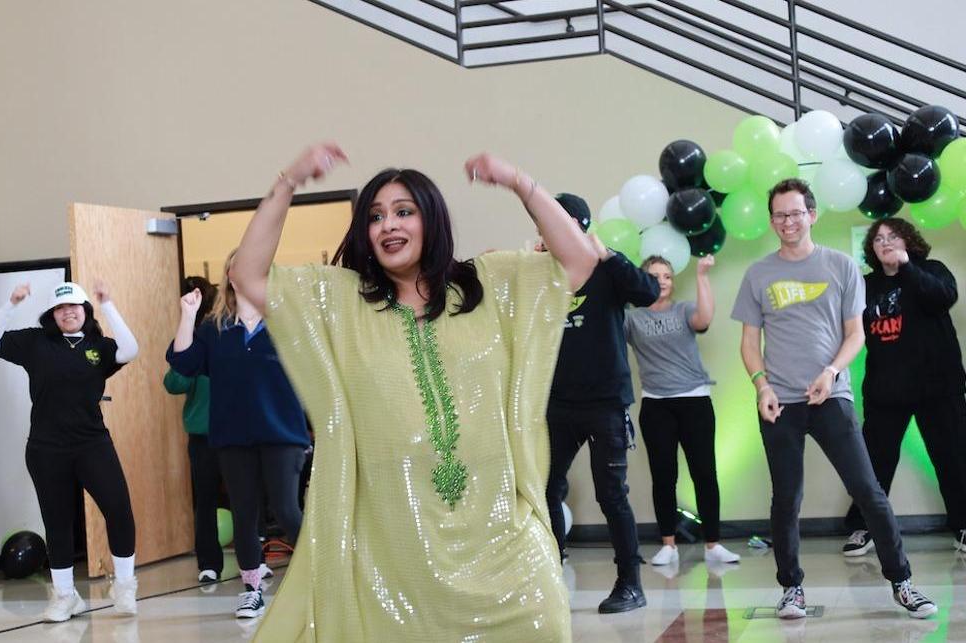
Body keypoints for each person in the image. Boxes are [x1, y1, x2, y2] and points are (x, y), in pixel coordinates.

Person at [229, 143, 598, 640]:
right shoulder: (340, 301)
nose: (389, 226)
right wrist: (287, 182)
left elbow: (578, 259)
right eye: (376, 217)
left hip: (501, 540)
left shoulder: (488, 284)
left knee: (544, 619)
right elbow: (248, 275)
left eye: (404, 212)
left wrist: (517, 181)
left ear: (432, 221)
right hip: (393, 553)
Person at [731, 178, 936, 619]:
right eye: (780, 215)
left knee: (868, 490)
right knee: (786, 498)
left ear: (812, 215)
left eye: (796, 212)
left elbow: (855, 334)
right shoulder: (758, 274)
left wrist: (830, 372)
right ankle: (791, 590)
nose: (788, 221)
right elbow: (749, 342)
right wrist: (761, 386)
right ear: (772, 221)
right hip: (778, 403)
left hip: (831, 395)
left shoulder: (841, 266)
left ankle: (902, 581)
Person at [0, 280, 140, 620]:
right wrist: (11, 303)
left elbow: (131, 349)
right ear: (52, 314)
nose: (68, 312)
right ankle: (65, 596)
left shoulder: (99, 346)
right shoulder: (36, 343)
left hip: (92, 445)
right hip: (46, 448)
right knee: (57, 522)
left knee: (118, 510)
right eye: (61, 308)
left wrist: (109, 304)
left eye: (75, 307)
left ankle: (125, 587)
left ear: (85, 311)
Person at [167, 251, 306, 619]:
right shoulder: (214, 327)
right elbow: (182, 361)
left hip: (282, 433)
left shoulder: (288, 320)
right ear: (229, 274)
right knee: (244, 514)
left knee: (287, 510)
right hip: (232, 436)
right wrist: (187, 313)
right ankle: (251, 588)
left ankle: (319, 576)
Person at [542, 192, 659, 613]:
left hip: (606, 402)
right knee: (545, 488)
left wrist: (609, 256)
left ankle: (630, 583)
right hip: (557, 403)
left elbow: (647, 292)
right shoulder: (543, 272)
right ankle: (551, 573)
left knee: (611, 495)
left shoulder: (606, 267)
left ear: (580, 225)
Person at [842, 217, 966, 556]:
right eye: (878, 238)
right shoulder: (865, 285)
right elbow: (847, 326)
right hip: (886, 389)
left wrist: (908, 266)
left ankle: (963, 524)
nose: (886, 242)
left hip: (938, 386)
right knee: (874, 462)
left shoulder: (932, 270)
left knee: (953, 456)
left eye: (893, 236)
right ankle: (863, 527)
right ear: (871, 248)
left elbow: (942, 298)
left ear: (908, 241)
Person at [625, 254, 739, 567]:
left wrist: (702, 275)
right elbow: (608, 341)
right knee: (663, 477)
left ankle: (713, 544)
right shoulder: (632, 318)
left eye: (668, 276)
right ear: (643, 280)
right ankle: (668, 545)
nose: (663, 281)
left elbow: (704, 319)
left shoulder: (683, 309)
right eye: (655, 276)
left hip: (695, 400)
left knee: (705, 474)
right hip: (656, 404)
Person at [163, 275, 224, 583]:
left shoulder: (228, 333)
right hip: (202, 435)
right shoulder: (193, 340)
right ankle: (209, 564)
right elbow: (173, 382)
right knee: (206, 500)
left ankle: (258, 559)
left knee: (249, 498)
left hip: (239, 433)